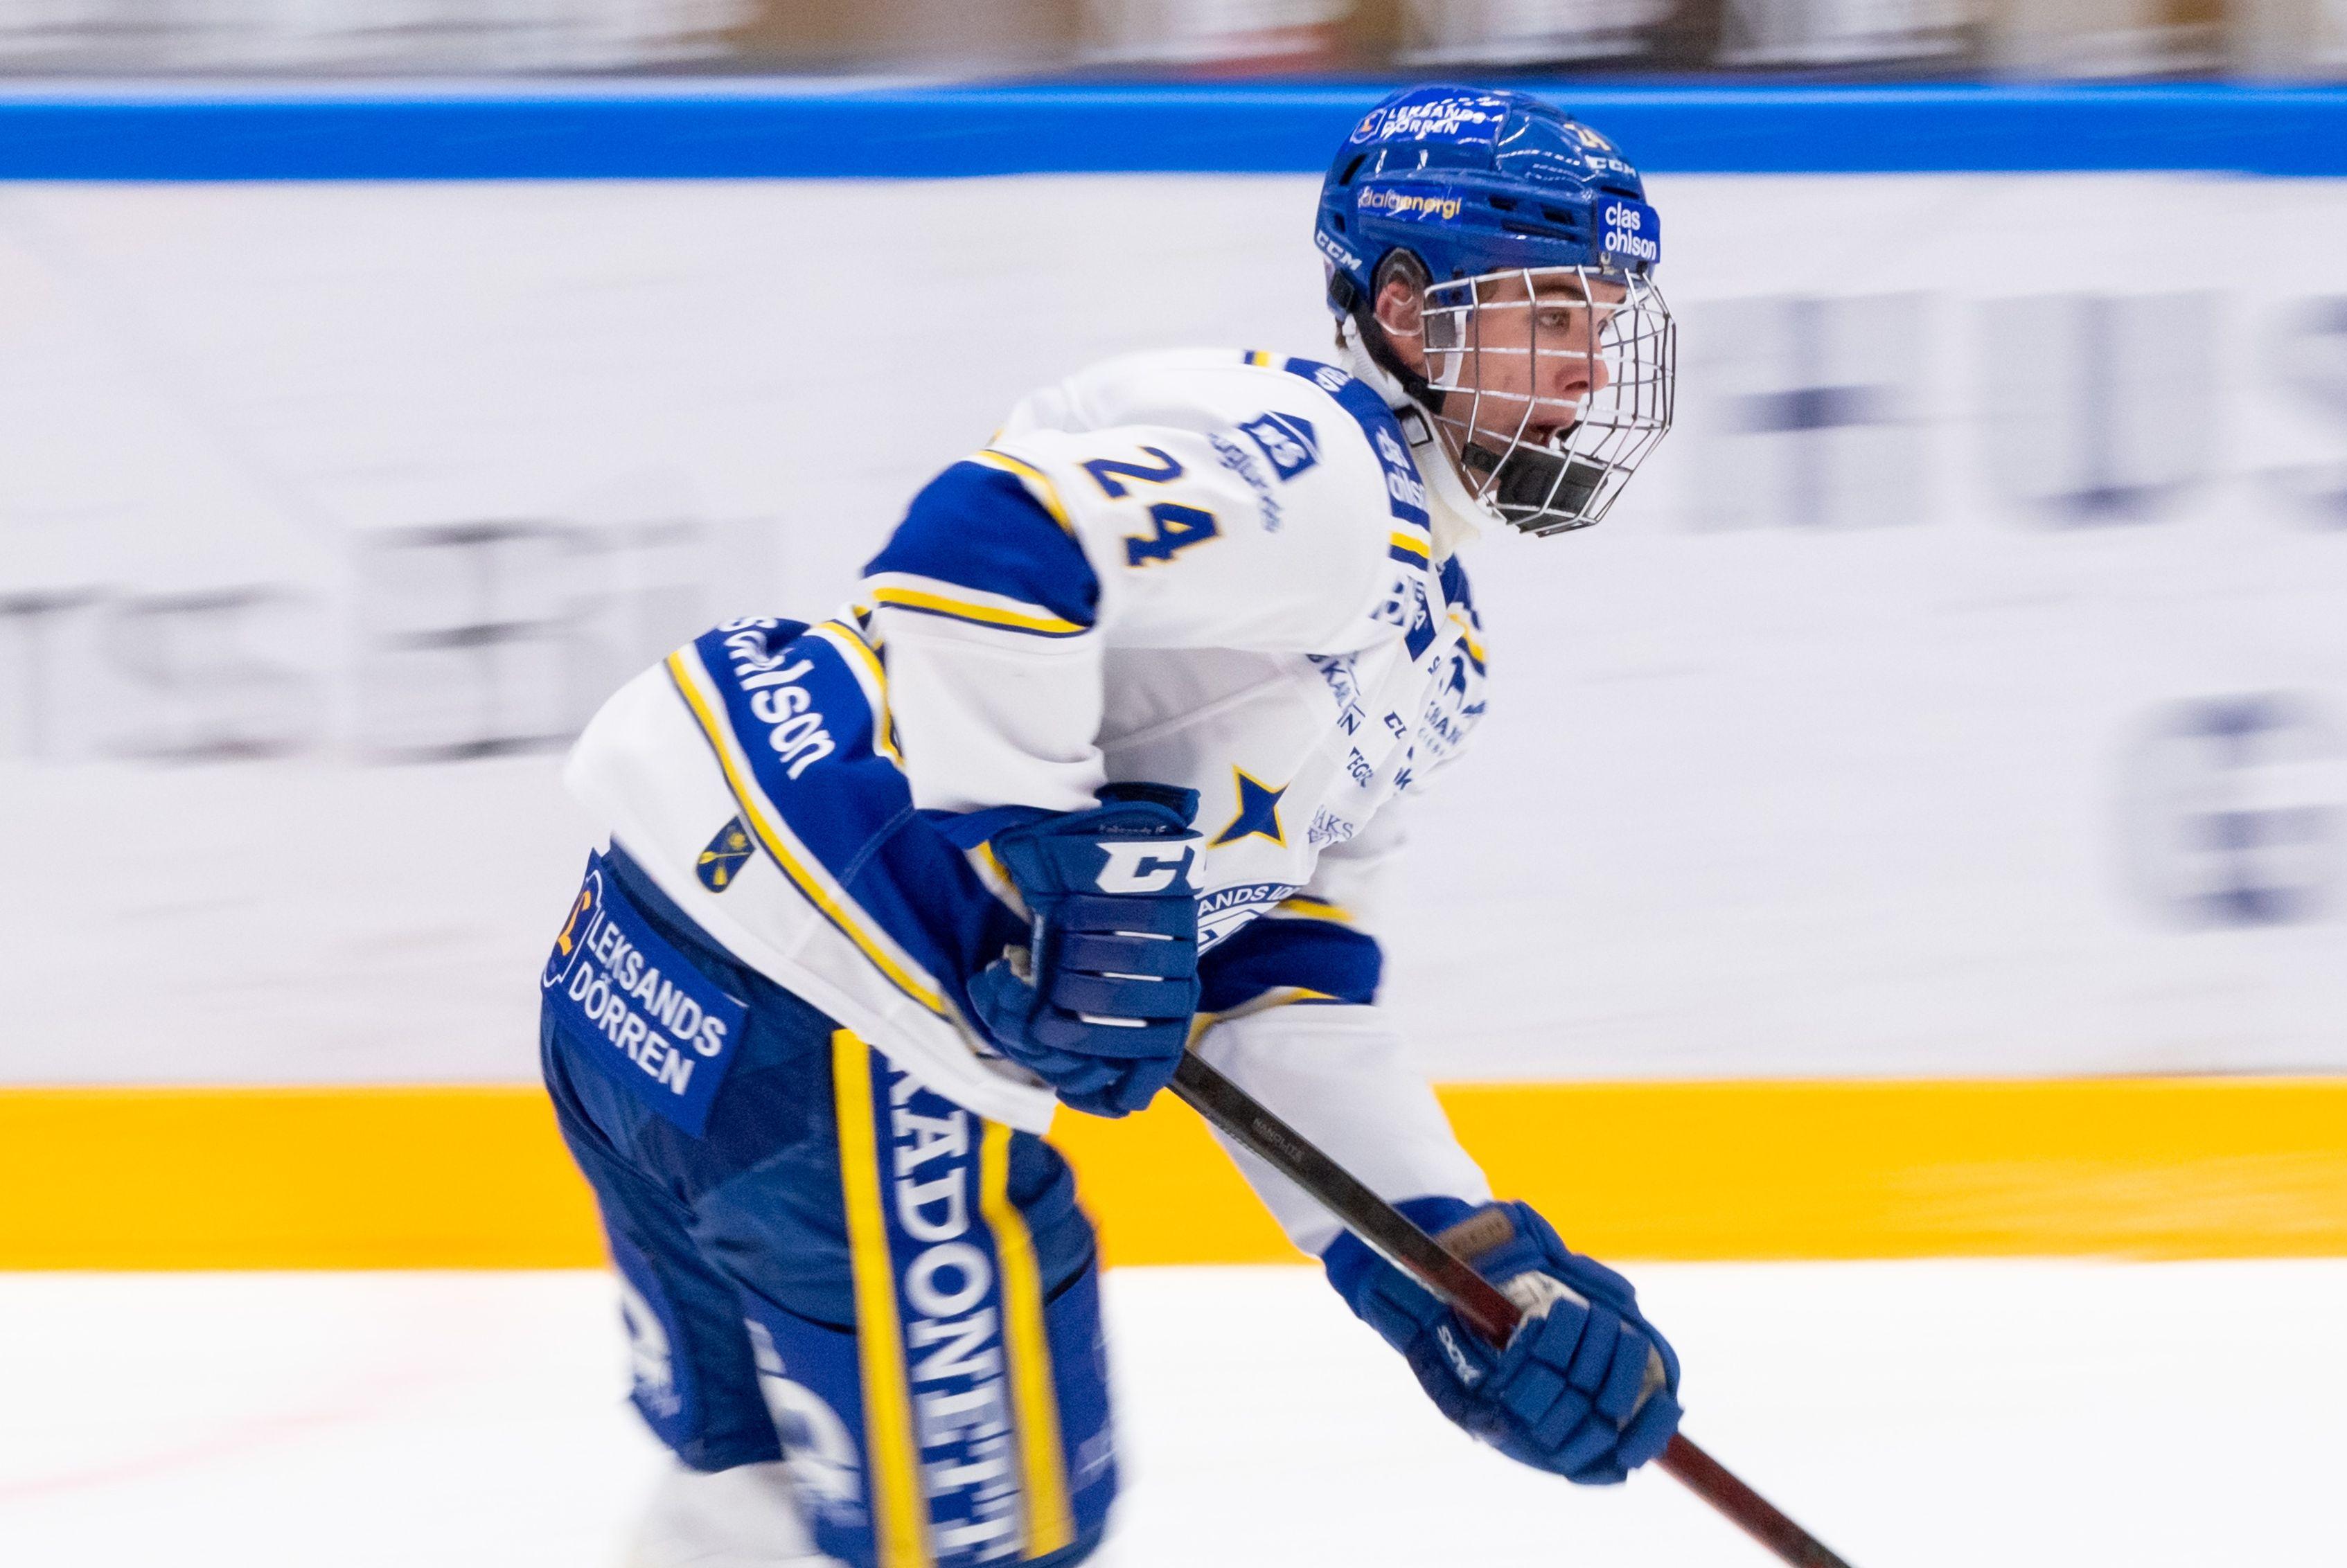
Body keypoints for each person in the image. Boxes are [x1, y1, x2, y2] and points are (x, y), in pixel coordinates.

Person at [537, 83, 1683, 1568]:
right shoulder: (1324, 473)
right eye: (1548, 316)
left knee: (745, 1498)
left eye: (1601, 322)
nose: (1584, 371)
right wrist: (1034, 853)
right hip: (836, 1015)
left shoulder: (1430, 641)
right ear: (1407, 307)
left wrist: (1454, 1265)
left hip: (646, 969)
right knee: (986, 1544)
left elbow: (1281, 978)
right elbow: (984, 549)